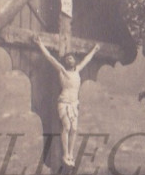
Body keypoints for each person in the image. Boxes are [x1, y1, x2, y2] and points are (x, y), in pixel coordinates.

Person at [33, 35, 100, 166]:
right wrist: (40, 44)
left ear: (74, 61)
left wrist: (94, 50)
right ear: (65, 62)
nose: (70, 60)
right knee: (67, 127)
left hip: (74, 104)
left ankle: (70, 154)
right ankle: (65, 154)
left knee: (74, 129)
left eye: (71, 58)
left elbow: (86, 60)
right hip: (63, 102)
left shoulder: (77, 70)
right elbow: (50, 58)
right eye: (67, 59)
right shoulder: (62, 71)